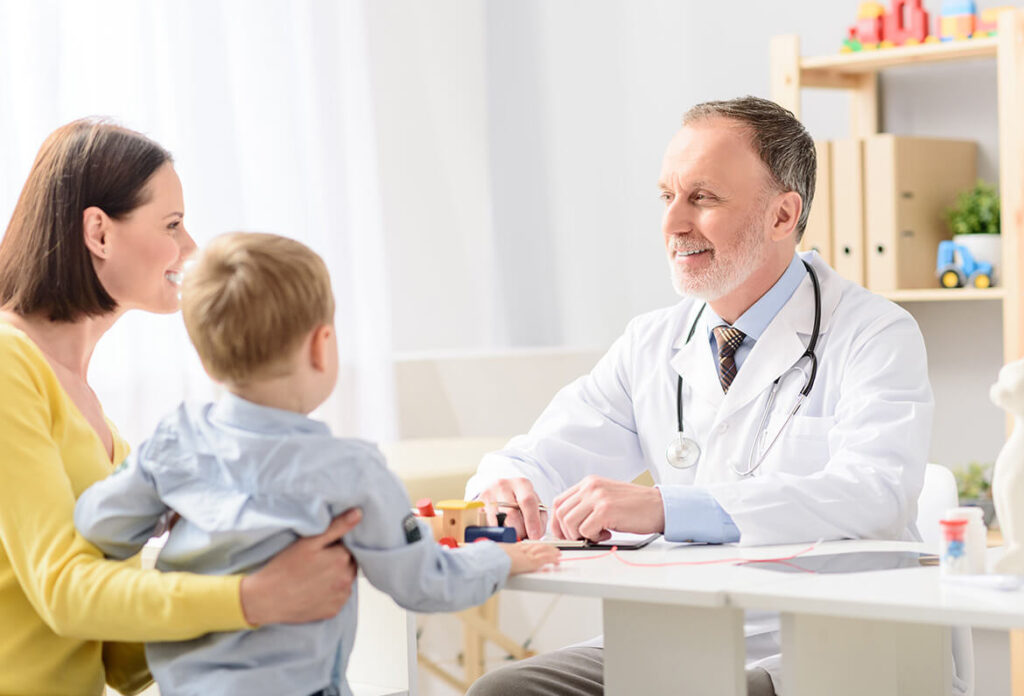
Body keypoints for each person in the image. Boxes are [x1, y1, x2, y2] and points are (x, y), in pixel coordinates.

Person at [464, 96, 935, 695]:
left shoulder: (873, 332)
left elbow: (875, 493)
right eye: (667, 196)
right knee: (503, 692)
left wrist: (669, 508)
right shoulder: (652, 342)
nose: (673, 224)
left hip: (821, 641)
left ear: (782, 215)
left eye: (703, 198)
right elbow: (540, 456)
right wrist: (506, 485)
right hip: (682, 632)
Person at [74, 231, 561, 696]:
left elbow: (97, 522)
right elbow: (425, 582)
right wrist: (499, 558)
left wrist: (169, 512)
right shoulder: (351, 473)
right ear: (320, 345)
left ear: (204, 360)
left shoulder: (173, 444)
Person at [0, 119, 359, 696]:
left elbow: (124, 664)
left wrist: (242, 551)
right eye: (172, 224)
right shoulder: (7, 363)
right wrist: (253, 596)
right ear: (98, 232)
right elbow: (64, 593)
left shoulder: (101, 426)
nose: (191, 248)